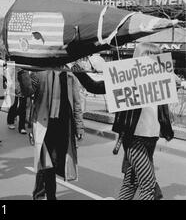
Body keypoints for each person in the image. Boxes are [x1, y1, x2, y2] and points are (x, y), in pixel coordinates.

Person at [73, 42, 176, 200]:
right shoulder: (126, 79)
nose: (153, 62)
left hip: (151, 139)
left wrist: (175, 82)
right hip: (134, 139)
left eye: (156, 58)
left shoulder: (160, 79)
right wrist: (79, 72)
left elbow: (163, 111)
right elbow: (94, 87)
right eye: (150, 58)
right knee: (148, 185)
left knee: (130, 183)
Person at [30, 68, 84, 200]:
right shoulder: (40, 72)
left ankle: (40, 193)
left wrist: (79, 126)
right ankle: (49, 196)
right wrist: (21, 72)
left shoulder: (70, 75)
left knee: (51, 163)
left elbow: (77, 103)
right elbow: (26, 91)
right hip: (45, 126)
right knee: (48, 164)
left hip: (63, 127)